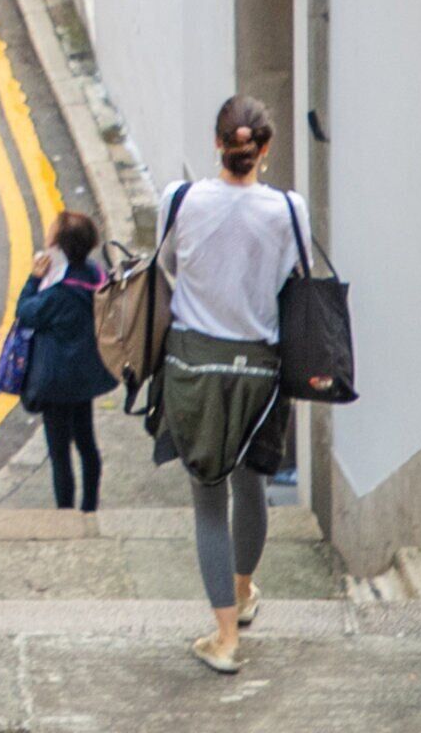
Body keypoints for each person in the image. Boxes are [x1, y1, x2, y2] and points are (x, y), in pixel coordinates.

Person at [155, 95, 309, 676]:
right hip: (260, 367)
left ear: (217, 143)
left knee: (207, 504)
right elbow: (295, 277)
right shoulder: (289, 210)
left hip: (194, 365)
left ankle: (224, 638)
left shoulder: (179, 199)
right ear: (263, 150)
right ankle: (242, 594)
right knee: (252, 489)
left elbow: (169, 263)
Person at [16, 210, 121, 511]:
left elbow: (25, 311)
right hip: (84, 379)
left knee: (59, 452)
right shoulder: (95, 275)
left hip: (54, 382)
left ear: (58, 247)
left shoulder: (56, 293)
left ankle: (65, 512)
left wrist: (34, 280)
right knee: (87, 444)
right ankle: (89, 506)